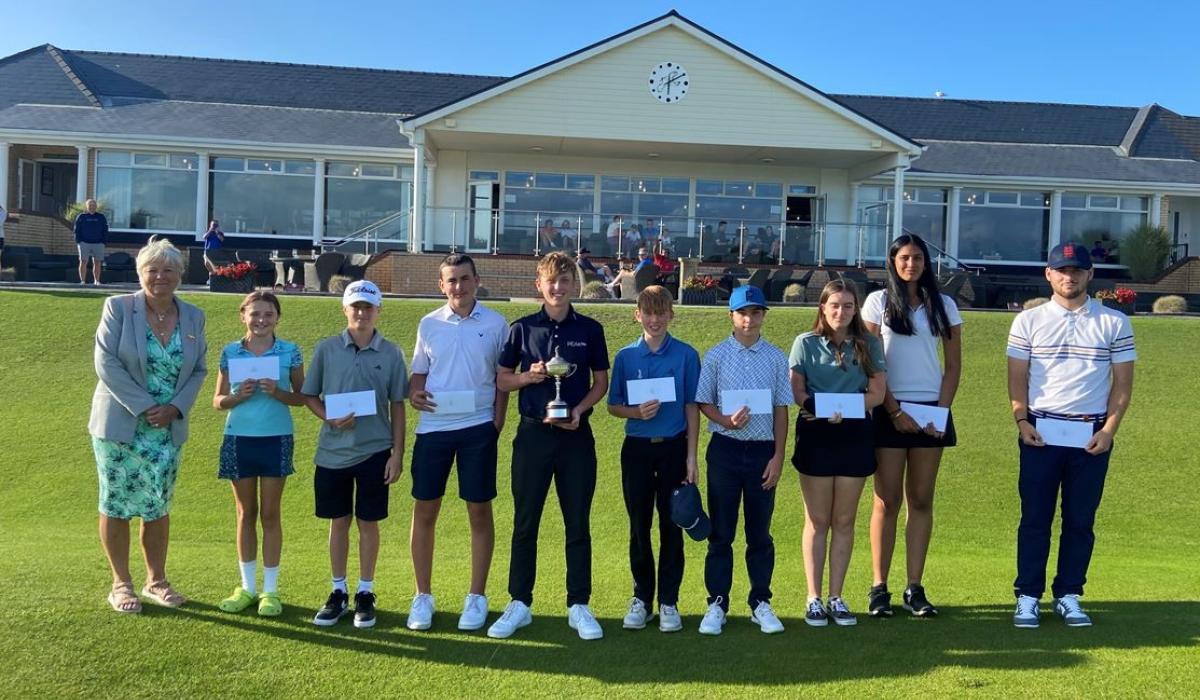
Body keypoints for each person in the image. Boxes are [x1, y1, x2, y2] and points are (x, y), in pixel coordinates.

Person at [1007, 242, 1135, 628]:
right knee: (1035, 519)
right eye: (1062, 270)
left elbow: (1123, 385)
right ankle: (1028, 595)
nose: (1070, 276)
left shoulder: (1114, 322)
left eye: (1077, 270)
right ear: (1048, 274)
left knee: (1080, 520)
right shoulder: (1028, 321)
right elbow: (1016, 379)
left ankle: (1068, 594)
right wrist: (1021, 422)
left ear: (1090, 274)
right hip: (1040, 432)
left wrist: (1109, 430)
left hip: (1090, 435)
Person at [487, 252, 610, 641]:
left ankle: (579, 604)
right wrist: (530, 377)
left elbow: (600, 383)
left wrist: (578, 410)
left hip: (576, 437)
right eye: (550, 281)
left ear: (575, 285)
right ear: (538, 285)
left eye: (564, 281)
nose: (557, 288)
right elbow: (503, 381)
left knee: (578, 523)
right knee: (526, 522)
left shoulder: (590, 329)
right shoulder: (520, 329)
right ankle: (520, 602)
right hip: (532, 437)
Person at [89, 238, 207, 613]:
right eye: (152, 270)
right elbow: (106, 363)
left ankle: (156, 580)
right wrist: (145, 407)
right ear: (140, 273)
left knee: (158, 503)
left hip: (166, 428)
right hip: (122, 426)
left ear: (179, 275)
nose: (160, 277)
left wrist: (174, 408)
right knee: (116, 503)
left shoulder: (193, 316)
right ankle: (121, 584)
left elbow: (199, 368)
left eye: (168, 270)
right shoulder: (118, 308)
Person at [406, 254, 509, 632]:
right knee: (425, 511)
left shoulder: (497, 324)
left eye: (465, 279)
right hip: (433, 429)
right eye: (451, 281)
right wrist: (415, 394)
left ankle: (476, 597)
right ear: (441, 285)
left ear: (476, 281)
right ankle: (423, 596)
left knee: (479, 512)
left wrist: (497, 422)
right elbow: (419, 374)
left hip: (478, 428)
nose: (459, 287)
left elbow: (503, 377)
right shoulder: (428, 323)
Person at [862, 234, 962, 619]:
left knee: (921, 499)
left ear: (926, 263)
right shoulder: (878, 301)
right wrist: (892, 409)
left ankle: (914, 587)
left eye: (918, 258)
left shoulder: (945, 305)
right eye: (904, 258)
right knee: (886, 500)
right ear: (892, 261)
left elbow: (953, 366)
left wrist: (940, 413)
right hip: (889, 407)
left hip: (930, 411)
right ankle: (878, 587)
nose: (911, 264)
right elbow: (871, 362)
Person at [301, 280, 408, 629]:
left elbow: (398, 407)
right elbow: (310, 396)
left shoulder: (391, 353)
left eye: (368, 307)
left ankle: (365, 592)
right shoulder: (327, 349)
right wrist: (328, 417)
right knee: (339, 522)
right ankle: (338, 591)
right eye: (355, 307)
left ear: (378, 310)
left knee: (368, 522)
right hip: (332, 453)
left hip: (375, 451)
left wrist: (397, 454)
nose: (361, 313)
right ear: (345, 309)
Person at [790, 279, 887, 627]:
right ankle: (813, 598)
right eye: (834, 305)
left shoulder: (869, 343)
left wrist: (847, 408)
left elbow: (877, 393)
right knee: (817, 521)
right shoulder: (805, 343)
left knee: (844, 520)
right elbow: (797, 389)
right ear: (822, 307)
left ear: (855, 310)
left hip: (855, 434)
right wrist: (816, 406)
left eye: (848, 306)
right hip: (816, 432)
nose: (841, 312)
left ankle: (836, 596)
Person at [695, 285, 791, 636]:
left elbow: (782, 410)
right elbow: (703, 402)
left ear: (764, 315)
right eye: (743, 313)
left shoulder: (777, 358)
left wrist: (779, 456)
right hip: (725, 449)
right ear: (731, 316)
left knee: (759, 533)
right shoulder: (717, 356)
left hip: (763, 451)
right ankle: (717, 602)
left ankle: (760, 602)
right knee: (721, 533)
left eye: (756, 312)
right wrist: (725, 421)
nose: (749, 319)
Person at [607, 286, 701, 633]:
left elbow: (692, 406)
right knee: (639, 526)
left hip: (674, 448)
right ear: (638, 315)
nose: (655, 319)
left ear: (671, 315)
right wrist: (635, 412)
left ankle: (669, 602)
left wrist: (692, 457)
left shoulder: (686, 356)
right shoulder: (626, 357)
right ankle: (642, 598)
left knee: (672, 526)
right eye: (648, 312)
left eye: (661, 312)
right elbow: (614, 405)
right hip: (637, 449)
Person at [213, 291, 306, 617]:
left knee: (270, 514)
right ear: (243, 316)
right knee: (245, 514)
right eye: (255, 314)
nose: (261, 320)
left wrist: (277, 392)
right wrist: (238, 397)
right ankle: (247, 588)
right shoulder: (231, 351)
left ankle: (270, 590)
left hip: (276, 437)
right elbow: (217, 400)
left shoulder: (290, 351)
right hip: (238, 438)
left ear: (277, 317)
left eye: (268, 314)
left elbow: (303, 397)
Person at [75, 198, 108, 285]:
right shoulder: (81, 217)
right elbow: (76, 230)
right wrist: (79, 241)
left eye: (93, 205)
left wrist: (103, 241)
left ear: (96, 206)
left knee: (97, 262)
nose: (92, 207)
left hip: (98, 243)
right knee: (83, 261)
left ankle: (97, 281)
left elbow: (105, 229)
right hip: (84, 243)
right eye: (90, 205)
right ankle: (82, 281)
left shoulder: (101, 217)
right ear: (87, 206)